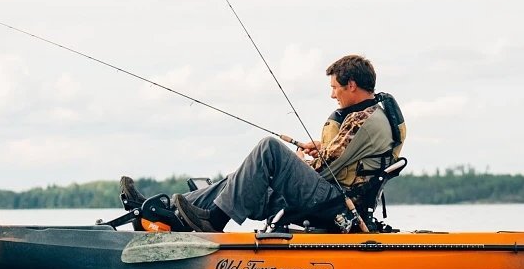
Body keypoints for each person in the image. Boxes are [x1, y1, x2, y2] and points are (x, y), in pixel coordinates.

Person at [120, 54, 401, 233]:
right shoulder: (370, 116)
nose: (332, 95)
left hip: (337, 203)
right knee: (240, 179)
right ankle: (160, 210)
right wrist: (317, 150)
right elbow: (345, 155)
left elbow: (328, 167)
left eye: (335, 88)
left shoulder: (364, 120)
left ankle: (214, 221)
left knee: (269, 149)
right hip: (331, 193)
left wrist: (300, 164)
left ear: (351, 84)